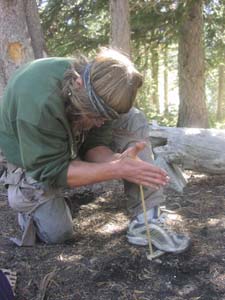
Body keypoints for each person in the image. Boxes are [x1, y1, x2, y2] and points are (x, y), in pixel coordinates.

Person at [0, 48, 190, 252]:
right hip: (31, 158)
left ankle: (147, 220)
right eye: (98, 116)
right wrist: (117, 170)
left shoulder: (100, 90)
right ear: (79, 86)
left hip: (68, 138)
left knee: (133, 118)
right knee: (57, 233)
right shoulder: (38, 104)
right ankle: (27, 205)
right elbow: (51, 170)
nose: (101, 123)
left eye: (106, 118)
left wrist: (119, 161)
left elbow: (94, 146)